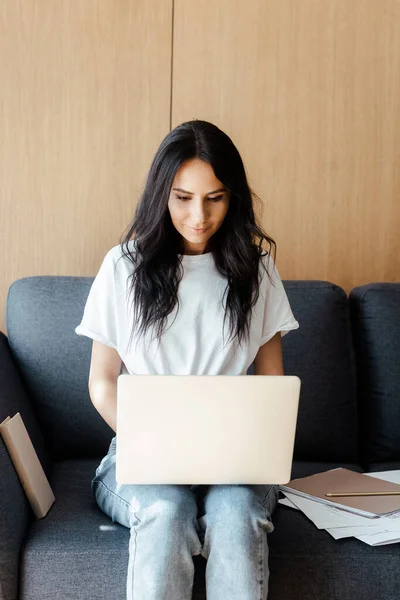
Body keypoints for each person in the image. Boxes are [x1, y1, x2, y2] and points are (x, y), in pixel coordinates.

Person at [75, 119, 299, 600]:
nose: (199, 215)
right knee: (166, 510)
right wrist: (158, 447)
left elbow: (272, 388)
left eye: (215, 198)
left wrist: (240, 454)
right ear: (162, 194)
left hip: (238, 461)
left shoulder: (257, 272)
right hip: (142, 457)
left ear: (233, 197)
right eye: (183, 197)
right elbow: (102, 382)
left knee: (236, 517)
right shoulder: (123, 267)